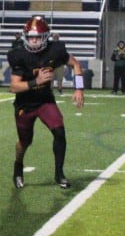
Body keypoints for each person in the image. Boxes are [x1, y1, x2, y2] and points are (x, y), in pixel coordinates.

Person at [8, 16, 85, 189]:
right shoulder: (19, 55)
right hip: (25, 104)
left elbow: (75, 64)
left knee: (59, 132)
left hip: (44, 100)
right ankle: (18, 166)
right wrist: (36, 81)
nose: (33, 41)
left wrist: (79, 88)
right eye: (30, 37)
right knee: (25, 142)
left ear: (45, 37)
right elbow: (14, 86)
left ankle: (59, 174)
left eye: (37, 37)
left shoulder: (55, 50)